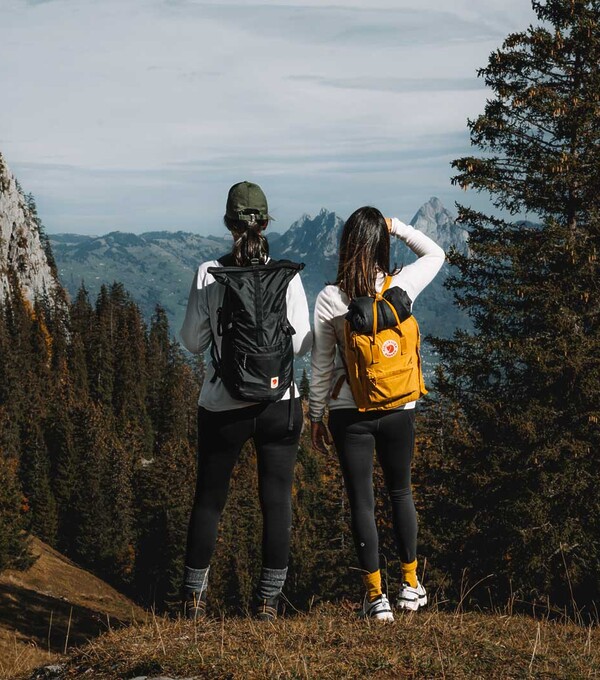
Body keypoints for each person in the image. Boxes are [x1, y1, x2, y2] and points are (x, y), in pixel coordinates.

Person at [180, 181, 312, 620]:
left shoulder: (208, 272)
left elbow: (193, 343)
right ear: (266, 221)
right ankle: (267, 604)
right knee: (276, 501)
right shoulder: (287, 274)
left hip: (223, 405)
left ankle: (193, 602)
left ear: (227, 223)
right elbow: (301, 344)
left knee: (210, 500)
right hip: (281, 404)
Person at [309, 206, 444, 621]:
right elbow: (436, 254)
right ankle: (410, 585)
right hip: (401, 407)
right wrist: (395, 226)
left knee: (361, 503)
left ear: (346, 246)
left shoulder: (331, 298)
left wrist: (316, 415)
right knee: (400, 491)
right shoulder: (399, 287)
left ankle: (375, 597)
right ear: (380, 245)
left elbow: (320, 365)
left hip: (351, 414)